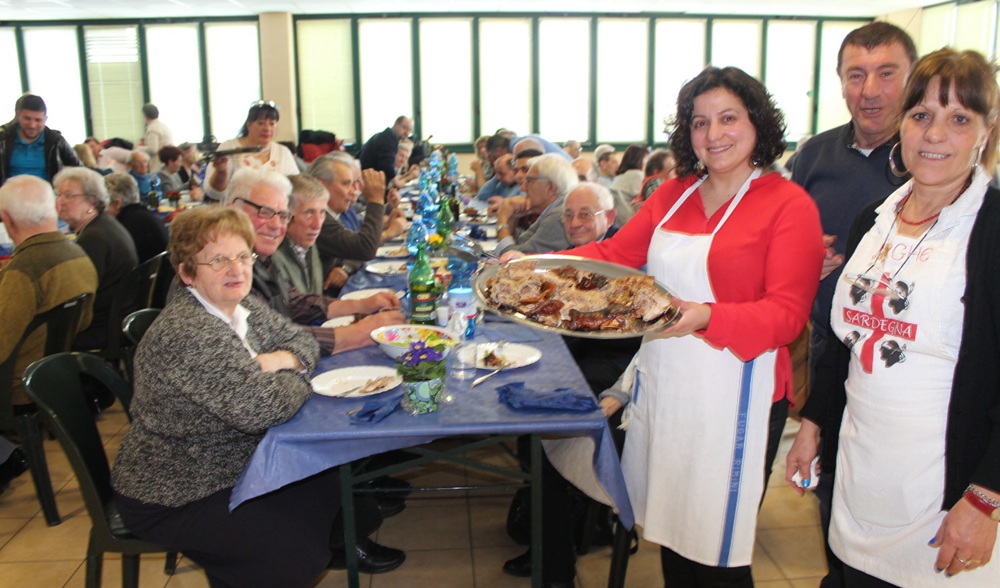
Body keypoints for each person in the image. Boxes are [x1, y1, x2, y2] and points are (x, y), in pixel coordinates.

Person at [569, 66, 824, 585]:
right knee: (675, 534)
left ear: (757, 122)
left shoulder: (788, 204)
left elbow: (786, 315)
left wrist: (706, 315)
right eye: (700, 123)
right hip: (669, 386)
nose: (713, 135)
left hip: (737, 396)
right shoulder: (673, 194)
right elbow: (614, 256)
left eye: (728, 118)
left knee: (717, 553)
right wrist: (533, 268)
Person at [786, 48, 1000, 587]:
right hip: (860, 477)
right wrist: (813, 425)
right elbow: (845, 343)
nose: (934, 135)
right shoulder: (873, 221)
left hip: (946, 494)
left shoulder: (993, 230)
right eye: (922, 115)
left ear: (986, 131)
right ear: (903, 123)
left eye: (959, 119)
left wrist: (985, 498)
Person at [111, 206, 403, 588]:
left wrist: (280, 360)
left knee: (338, 484)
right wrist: (298, 373)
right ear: (186, 273)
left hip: (235, 459)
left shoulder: (240, 303)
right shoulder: (188, 331)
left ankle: (246, 565)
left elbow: (299, 337)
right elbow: (262, 408)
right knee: (295, 554)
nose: (236, 269)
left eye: (242, 256)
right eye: (218, 260)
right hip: (178, 490)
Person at [786, 22, 917, 586]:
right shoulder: (814, 154)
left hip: (905, 359)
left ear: (911, 80)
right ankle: (838, 572)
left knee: (898, 487)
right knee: (832, 473)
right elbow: (787, 240)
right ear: (840, 82)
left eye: (887, 74)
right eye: (856, 75)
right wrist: (798, 261)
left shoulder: (927, 155)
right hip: (828, 342)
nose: (871, 90)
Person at [225, 168, 403, 356]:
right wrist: (359, 332)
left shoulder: (258, 258)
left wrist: (361, 304)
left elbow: (292, 301)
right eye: (264, 212)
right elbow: (271, 337)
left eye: (283, 215)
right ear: (232, 209)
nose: (276, 225)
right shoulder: (226, 270)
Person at [0, 175, 97, 409]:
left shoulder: (23, 271)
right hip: (53, 373)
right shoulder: (78, 254)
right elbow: (83, 322)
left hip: (17, 387)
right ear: (55, 206)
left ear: (6, 219)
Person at [53, 167, 139, 351]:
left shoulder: (93, 238)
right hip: (117, 318)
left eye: (69, 195)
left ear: (92, 201)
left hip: (104, 327)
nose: (60, 202)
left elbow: (77, 297)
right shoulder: (105, 224)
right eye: (58, 195)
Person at [206, 100, 299, 199]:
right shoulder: (229, 148)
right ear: (249, 124)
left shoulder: (283, 152)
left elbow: (296, 187)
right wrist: (221, 172)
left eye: (272, 124)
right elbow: (214, 193)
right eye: (260, 123)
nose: (267, 128)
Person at [105, 172, 171, 308]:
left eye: (103, 205)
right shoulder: (145, 216)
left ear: (117, 203)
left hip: (139, 300)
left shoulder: (124, 226)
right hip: (159, 293)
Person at [494, 153, 578, 255]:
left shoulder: (559, 216)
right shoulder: (551, 209)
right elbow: (518, 246)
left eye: (529, 181)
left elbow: (514, 259)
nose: (522, 188)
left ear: (551, 187)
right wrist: (512, 218)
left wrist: (502, 220)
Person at [0, 94, 79, 185]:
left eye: (38, 120)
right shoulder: (3, 140)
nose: (32, 125)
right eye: (27, 118)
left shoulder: (56, 142)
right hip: (8, 197)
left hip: (48, 197)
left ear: (45, 119)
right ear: (18, 115)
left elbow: (79, 171)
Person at [272, 175, 328, 296]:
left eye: (322, 213)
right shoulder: (272, 257)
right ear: (286, 215)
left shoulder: (306, 242)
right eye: (309, 213)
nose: (317, 224)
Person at [358, 115, 413, 186]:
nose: (407, 133)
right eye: (404, 128)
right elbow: (388, 168)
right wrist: (398, 183)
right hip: (369, 183)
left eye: (409, 130)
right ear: (396, 124)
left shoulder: (382, 135)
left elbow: (358, 155)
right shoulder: (388, 140)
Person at [609, 143, 648, 223]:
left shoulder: (620, 176)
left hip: (618, 221)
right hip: (630, 220)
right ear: (641, 159)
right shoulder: (638, 175)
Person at [141, 103, 173, 170]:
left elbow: (152, 149)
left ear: (145, 116)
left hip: (157, 165)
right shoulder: (163, 126)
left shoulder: (153, 129)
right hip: (166, 163)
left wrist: (137, 148)